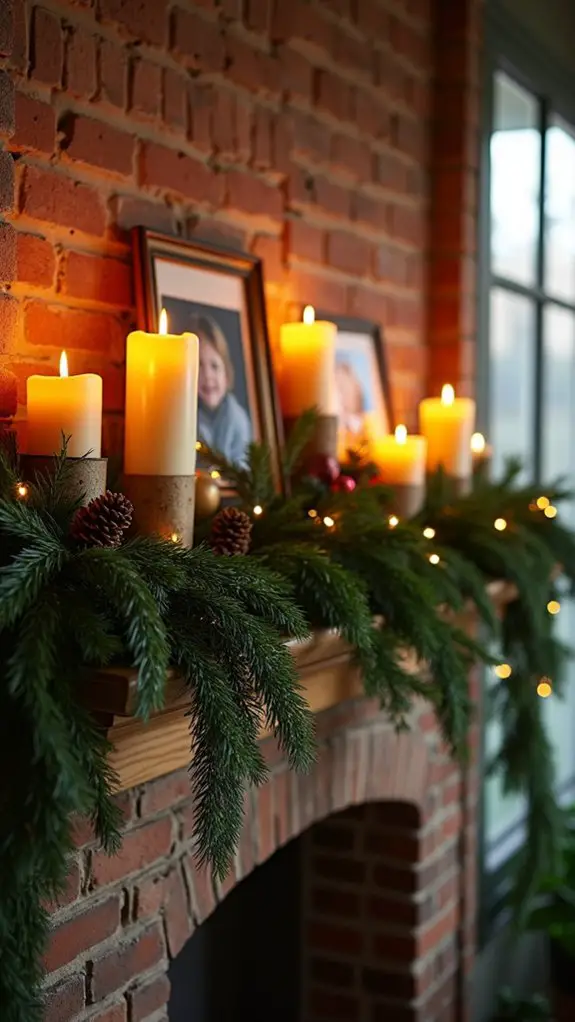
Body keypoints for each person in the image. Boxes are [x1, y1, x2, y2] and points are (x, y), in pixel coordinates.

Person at [190, 313, 252, 465]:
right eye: (199, 365)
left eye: (215, 366)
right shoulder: (187, 419)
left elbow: (243, 463)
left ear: (226, 373)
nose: (207, 376)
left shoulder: (238, 420)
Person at [335, 358, 369, 459]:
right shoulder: (337, 423)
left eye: (345, 387)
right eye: (339, 388)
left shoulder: (365, 423)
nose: (342, 394)